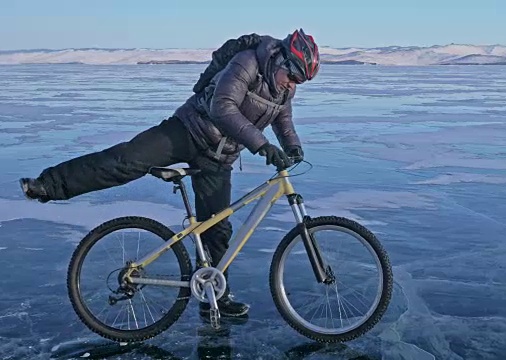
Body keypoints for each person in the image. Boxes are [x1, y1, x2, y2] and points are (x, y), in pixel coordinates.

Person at [18, 29, 321, 318]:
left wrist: (292, 146)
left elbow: (283, 119)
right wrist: (261, 145)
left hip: (218, 158)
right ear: (281, 60)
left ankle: (214, 295)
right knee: (125, 160)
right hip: (186, 132)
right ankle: (49, 186)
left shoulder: (283, 90)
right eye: (292, 76)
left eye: (300, 82)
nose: (293, 85)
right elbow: (222, 107)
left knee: (217, 232)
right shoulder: (247, 62)